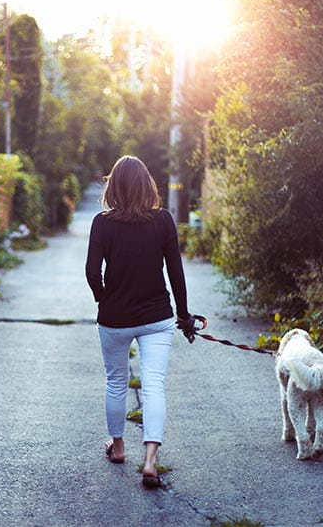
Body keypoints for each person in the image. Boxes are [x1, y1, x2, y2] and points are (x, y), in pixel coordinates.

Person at [85, 155, 196, 489]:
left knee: (116, 382)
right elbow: (175, 273)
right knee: (154, 384)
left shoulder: (102, 223)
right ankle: (150, 460)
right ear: (148, 185)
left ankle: (118, 447)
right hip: (157, 317)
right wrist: (184, 314)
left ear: (113, 186)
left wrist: (104, 297)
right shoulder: (163, 221)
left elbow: (93, 272)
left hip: (115, 319)